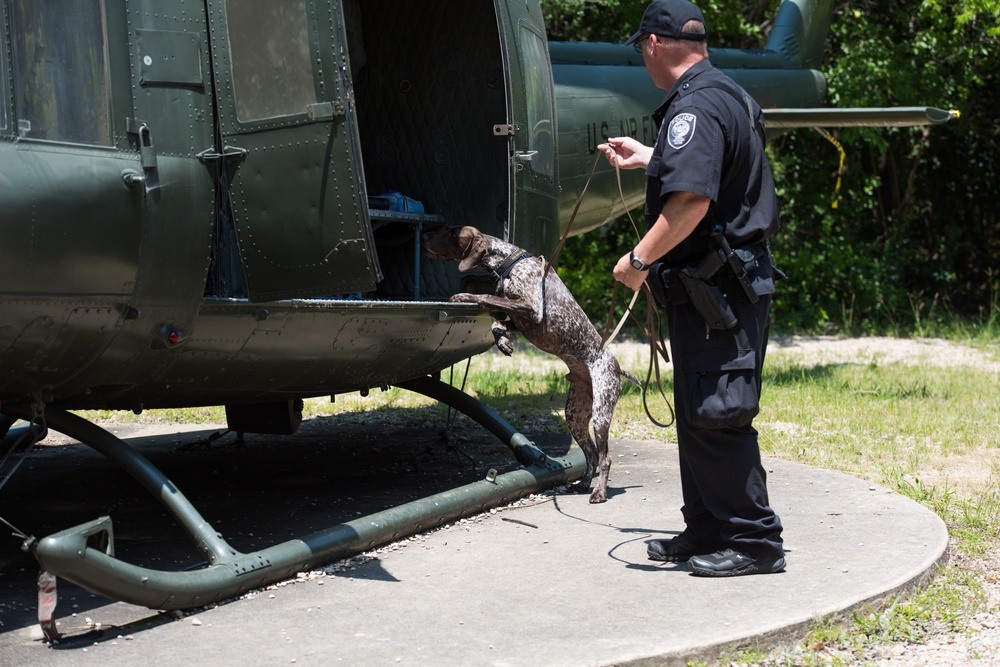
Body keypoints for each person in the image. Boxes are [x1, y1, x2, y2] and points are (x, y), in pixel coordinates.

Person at [598, 0, 785, 577]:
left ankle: (755, 543)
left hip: (719, 293)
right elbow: (715, 169)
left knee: (718, 411)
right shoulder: (724, 92)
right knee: (697, 408)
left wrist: (637, 258)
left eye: (641, 50)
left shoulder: (695, 106)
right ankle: (707, 527)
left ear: (653, 45)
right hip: (714, 290)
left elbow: (693, 202)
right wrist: (653, 157)